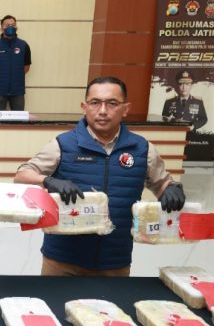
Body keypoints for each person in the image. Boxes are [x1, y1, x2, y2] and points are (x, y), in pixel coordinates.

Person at [15, 76, 185, 277]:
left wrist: (172, 188)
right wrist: (48, 181)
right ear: (84, 107)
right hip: (62, 259)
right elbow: (22, 175)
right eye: (95, 103)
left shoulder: (142, 149)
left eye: (112, 103)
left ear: (126, 108)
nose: (103, 110)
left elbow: (162, 183)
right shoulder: (62, 144)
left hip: (115, 260)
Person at [0, 15, 31, 111]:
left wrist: (15, 78)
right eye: (7, 25)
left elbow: (26, 67)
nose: (10, 27)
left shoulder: (23, 45)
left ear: (16, 27)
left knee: (19, 119)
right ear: (1, 28)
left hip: (18, 91)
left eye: (13, 25)